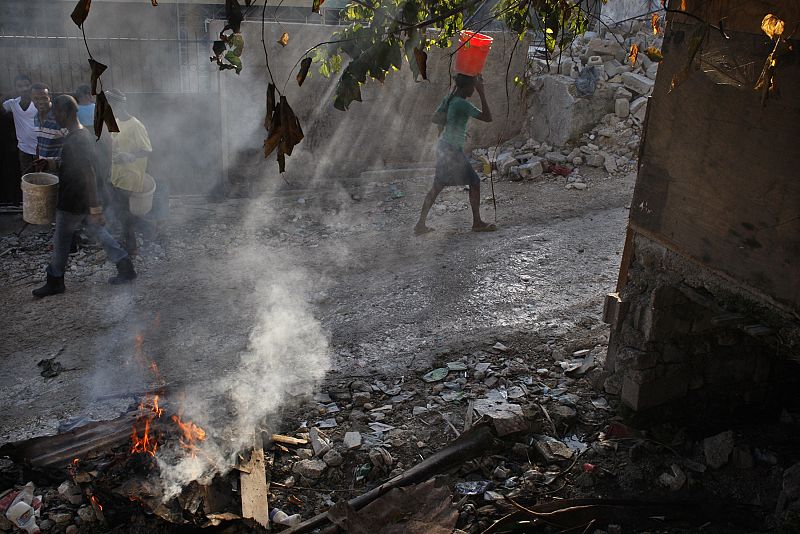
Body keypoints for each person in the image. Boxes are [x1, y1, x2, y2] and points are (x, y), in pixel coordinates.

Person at [32, 95, 136, 298]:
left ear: (67, 112)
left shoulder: (77, 140)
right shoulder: (80, 135)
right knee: (101, 234)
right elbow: (72, 165)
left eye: (57, 113)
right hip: (84, 200)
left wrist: (95, 208)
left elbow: (88, 173)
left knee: (61, 239)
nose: (54, 117)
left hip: (74, 200)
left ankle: (55, 281)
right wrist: (50, 163)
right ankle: (125, 267)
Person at [415, 74, 496, 235]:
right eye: (473, 86)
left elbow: (435, 118)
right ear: (467, 86)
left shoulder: (450, 100)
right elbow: (488, 117)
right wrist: (482, 93)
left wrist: (453, 126)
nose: (474, 89)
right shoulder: (462, 104)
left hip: (444, 147)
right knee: (474, 182)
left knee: (437, 187)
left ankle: (420, 224)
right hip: (452, 150)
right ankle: (477, 223)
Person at [106, 89, 153, 256]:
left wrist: (130, 156)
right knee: (121, 211)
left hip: (131, 174)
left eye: (110, 104)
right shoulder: (115, 122)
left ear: (120, 104)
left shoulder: (136, 125)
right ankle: (142, 234)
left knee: (124, 212)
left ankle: (132, 247)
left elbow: (147, 150)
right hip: (117, 173)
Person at [2, 75, 37, 180]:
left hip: (40, 148)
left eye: (27, 85)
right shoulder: (12, 103)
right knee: (26, 178)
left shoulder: (38, 103)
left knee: (42, 179)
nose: (24, 88)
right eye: (20, 86)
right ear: (15, 88)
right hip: (24, 149)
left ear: (31, 86)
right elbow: (2, 107)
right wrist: (8, 93)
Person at [31, 83, 67, 171]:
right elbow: (40, 143)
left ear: (49, 96)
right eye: (36, 99)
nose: (40, 102)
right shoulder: (36, 117)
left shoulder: (59, 116)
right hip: (44, 169)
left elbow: (73, 144)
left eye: (44, 98)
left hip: (60, 170)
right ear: (31, 99)